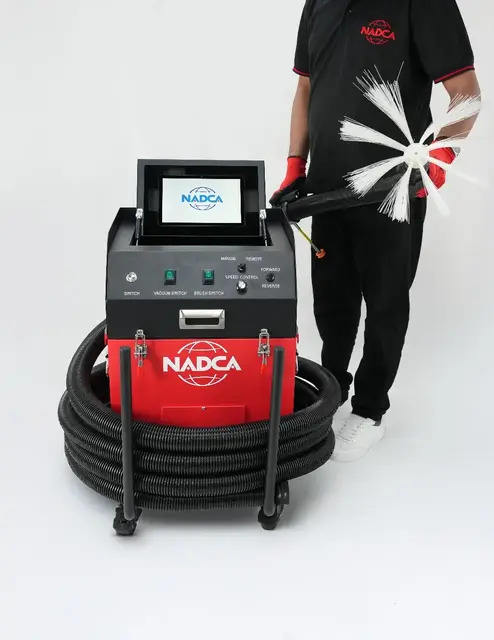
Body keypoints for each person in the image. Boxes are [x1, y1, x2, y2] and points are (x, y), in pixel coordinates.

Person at [271, 0, 481, 462]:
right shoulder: (319, 3)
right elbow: (305, 87)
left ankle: (369, 410)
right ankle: (332, 387)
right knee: (332, 299)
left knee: (386, 303)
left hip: (392, 188)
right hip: (327, 187)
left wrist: (441, 156)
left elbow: (466, 92)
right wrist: (295, 165)